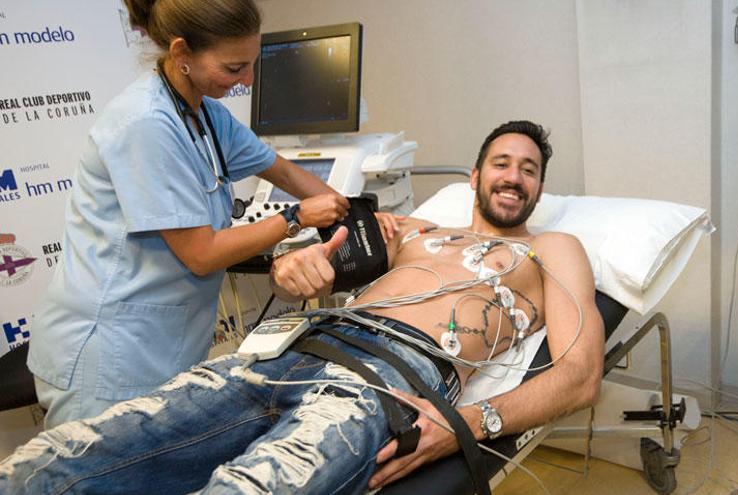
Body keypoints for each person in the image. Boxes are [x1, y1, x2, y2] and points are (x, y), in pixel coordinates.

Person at [2, 120, 604, 494]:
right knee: (53, 463)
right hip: (284, 348)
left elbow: (579, 377)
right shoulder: (411, 230)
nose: (513, 177)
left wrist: (463, 425)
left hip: (384, 385)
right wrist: (292, 270)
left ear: (539, 188)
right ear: (475, 175)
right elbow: (309, 268)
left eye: (529, 170)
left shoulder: (552, 248)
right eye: (502, 162)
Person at [25, 0, 403, 428]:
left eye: (252, 65)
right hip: (108, 353)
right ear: (183, 53)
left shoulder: (205, 115)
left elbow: (283, 171)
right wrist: (295, 218)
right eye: (234, 68)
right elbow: (201, 253)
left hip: (160, 345)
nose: (247, 81)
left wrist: (360, 219)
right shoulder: (146, 124)